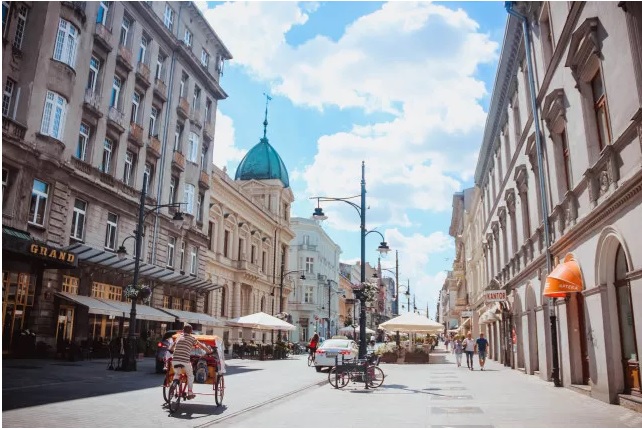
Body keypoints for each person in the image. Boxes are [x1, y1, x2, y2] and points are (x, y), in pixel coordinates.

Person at [169, 324, 212, 400]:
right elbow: (201, 346)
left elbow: (171, 348)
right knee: (190, 376)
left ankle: (174, 384)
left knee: (177, 373)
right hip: (185, 360)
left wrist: (172, 351)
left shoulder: (178, 337)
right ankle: (190, 392)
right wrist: (208, 351)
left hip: (175, 359)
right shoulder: (192, 338)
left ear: (183, 330)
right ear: (191, 331)